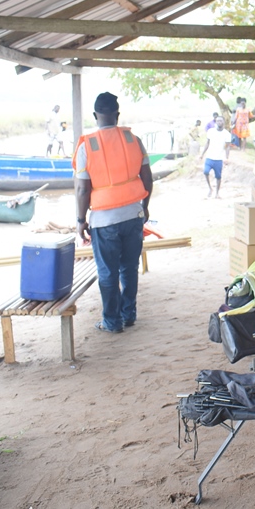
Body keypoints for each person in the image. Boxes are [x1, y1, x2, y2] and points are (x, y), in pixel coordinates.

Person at [74, 92, 152, 334]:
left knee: (107, 272)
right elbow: (148, 178)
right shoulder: (134, 140)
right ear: (117, 115)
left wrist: (80, 220)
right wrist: (145, 206)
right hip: (133, 215)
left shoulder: (87, 145)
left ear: (95, 115)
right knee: (128, 268)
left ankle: (111, 321)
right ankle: (128, 315)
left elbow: (81, 188)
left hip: (104, 220)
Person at [201, 116, 232, 198]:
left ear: (223, 122)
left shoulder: (227, 134)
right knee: (206, 171)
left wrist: (227, 157)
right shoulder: (211, 131)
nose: (219, 122)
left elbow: (228, 146)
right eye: (217, 121)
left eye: (220, 121)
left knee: (218, 177)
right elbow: (207, 143)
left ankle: (217, 193)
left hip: (219, 158)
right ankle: (210, 188)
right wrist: (202, 154)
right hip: (209, 157)